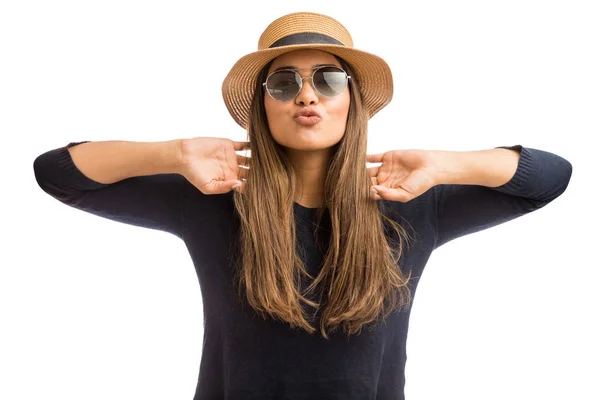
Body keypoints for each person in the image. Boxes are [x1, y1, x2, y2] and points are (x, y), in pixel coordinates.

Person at [33, 11, 572, 400]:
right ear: (263, 107)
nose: (306, 96)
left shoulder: (408, 205)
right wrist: (171, 153)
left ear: (352, 102)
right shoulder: (213, 200)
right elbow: (58, 173)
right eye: (284, 82)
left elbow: (548, 179)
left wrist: (446, 165)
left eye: (328, 80)